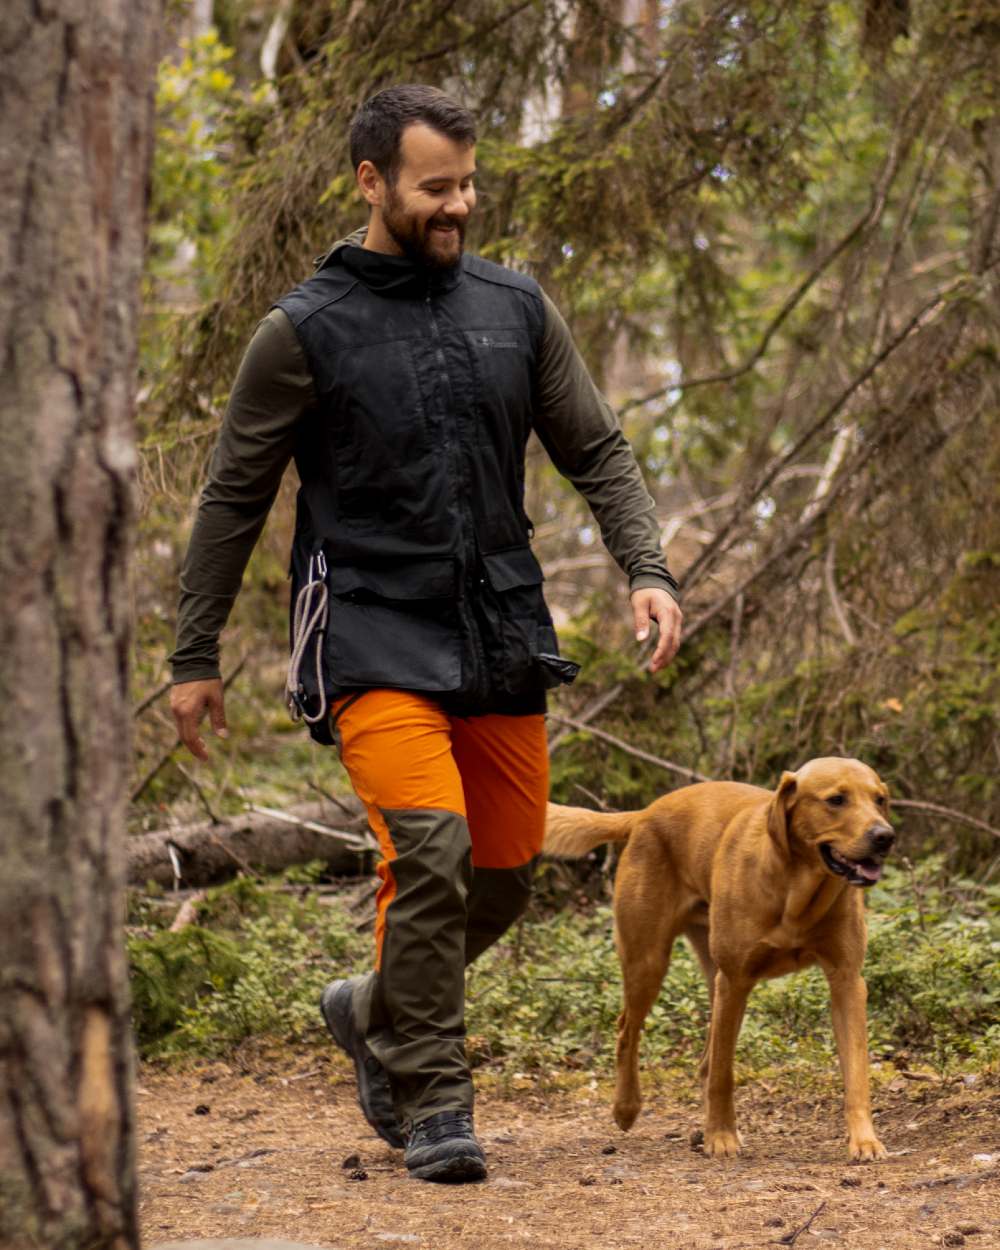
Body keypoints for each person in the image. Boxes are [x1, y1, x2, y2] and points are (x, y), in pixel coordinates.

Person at [169, 84, 682, 1183]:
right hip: (367, 630)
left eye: (467, 183)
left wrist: (646, 567)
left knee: (499, 877)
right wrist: (194, 653)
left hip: (497, 627)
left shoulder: (514, 305)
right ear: (371, 181)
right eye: (434, 187)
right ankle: (437, 1101)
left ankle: (369, 1008)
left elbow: (596, 447)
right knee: (433, 854)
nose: (459, 205)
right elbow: (232, 497)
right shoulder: (302, 331)